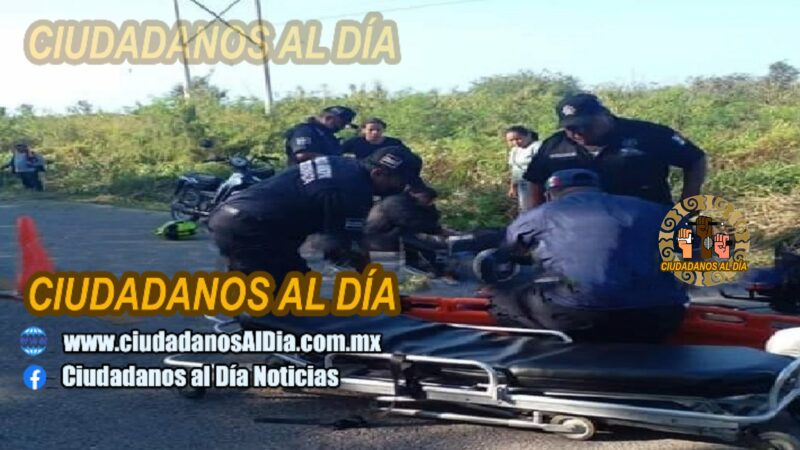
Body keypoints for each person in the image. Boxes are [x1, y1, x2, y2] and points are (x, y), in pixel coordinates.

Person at [480, 168, 689, 343]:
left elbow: (505, 252)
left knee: (500, 298)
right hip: (660, 317)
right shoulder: (652, 209)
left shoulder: (542, 213)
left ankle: (541, 349)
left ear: (550, 194)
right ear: (598, 189)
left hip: (578, 316)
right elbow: (699, 243)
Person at [207, 146, 423, 288]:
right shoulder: (353, 190)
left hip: (236, 216)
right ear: (378, 173)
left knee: (289, 282)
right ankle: (279, 345)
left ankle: (271, 332)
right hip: (250, 226)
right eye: (400, 180)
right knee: (290, 290)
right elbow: (347, 247)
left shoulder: (342, 164)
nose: (402, 187)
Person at [522, 93, 707, 207]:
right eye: (570, 128)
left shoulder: (649, 134)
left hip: (645, 220)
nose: (578, 132)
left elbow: (695, 159)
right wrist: (535, 216)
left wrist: (688, 204)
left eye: (585, 125)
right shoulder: (554, 145)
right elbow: (534, 180)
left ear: (604, 115)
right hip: (580, 228)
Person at [283, 106, 357, 166]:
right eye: (341, 123)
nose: (342, 127)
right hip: (304, 178)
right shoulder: (305, 130)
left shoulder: (328, 136)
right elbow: (302, 155)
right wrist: (338, 160)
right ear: (328, 118)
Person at [505, 125, 540, 213]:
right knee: (524, 207)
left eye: (518, 139)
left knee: (536, 207)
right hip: (522, 183)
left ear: (528, 136)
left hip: (536, 183)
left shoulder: (537, 147)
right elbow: (515, 169)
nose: (515, 142)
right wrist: (513, 186)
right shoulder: (515, 150)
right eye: (511, 140)